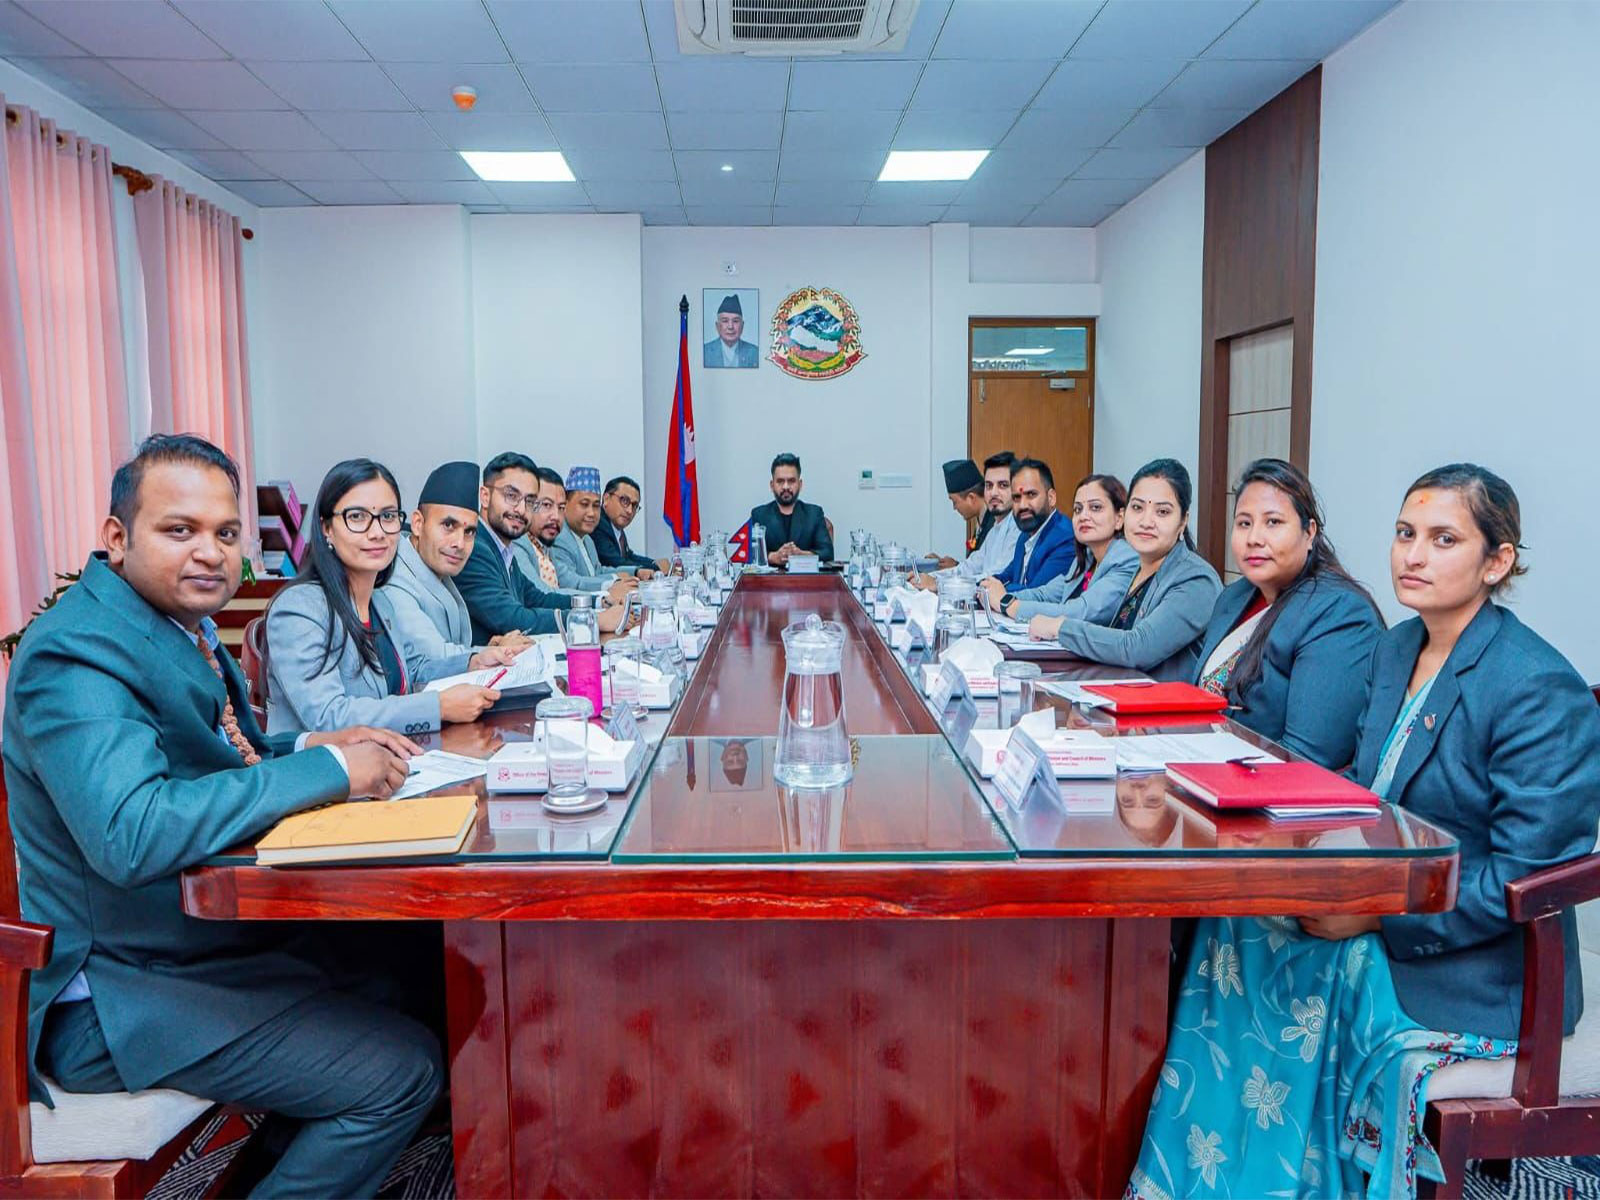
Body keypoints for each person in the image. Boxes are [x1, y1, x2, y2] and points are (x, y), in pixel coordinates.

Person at [1129, 464, 1600, 1199]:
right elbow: (1364, 784)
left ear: (1497, 561)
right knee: (1238, 926)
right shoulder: (1397, 648)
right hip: (1383, 893)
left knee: (1300, 964)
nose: (1413, 556)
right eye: (1405, 534)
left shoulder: (1537, 685)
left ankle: (1301, 1181)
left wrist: (1375, 916)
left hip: (1485, 961)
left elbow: (1523, 874)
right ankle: (1205, 1172)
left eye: (1445, 539)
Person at [3, 434, 438, 1198]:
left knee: (412, 966)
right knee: (403, 1072)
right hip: (122, 995)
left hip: (193, 947)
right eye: (180, 530)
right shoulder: (75, 656)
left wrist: (312, 743)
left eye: (226, 534)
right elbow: (131, 830)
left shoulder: (171, 624)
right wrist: (329, 771)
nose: (210, 554)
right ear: (116, 537)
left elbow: (216, 756)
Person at [266, 459, 512, 737]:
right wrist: (437, 707)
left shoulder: (380, 602)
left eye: (387, 516)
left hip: (392, 759)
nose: (377, 532)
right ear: (326, 529)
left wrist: (473, 662)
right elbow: (328, 716)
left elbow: (414, 669)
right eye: (357, 517)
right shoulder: (299, 609)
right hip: (327, 773)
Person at [1193, 458, 1384, 767]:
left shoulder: (1340, 613)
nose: (1254, 537)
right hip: (1200, 771)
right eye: (1244, 523)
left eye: (1273, 522)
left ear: (1309, 533)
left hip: (1270, 797)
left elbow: (1306, 757)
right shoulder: (1234, 597)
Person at [1027, 458, 1219, 681]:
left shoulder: (1196, 579)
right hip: (1122, 698)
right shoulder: (1140, 567)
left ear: (1183, 522)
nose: (1146, 521)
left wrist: (1061, 627)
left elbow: (1136, 647)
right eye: (1137, 508)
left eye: (1163, 512)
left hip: (1163, 710)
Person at [381, 460, 530, 663]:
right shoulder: (394, 579)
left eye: (469, 532)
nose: (460, 543)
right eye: (448, 525)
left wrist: (487, 648)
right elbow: (432, 659)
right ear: (417, 524)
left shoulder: (438, 569)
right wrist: (487, 654)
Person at [455, 452, 573, 643]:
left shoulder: (503, 548)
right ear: (485, 496)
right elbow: (513, 620)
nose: (520, 509)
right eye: (511, 496)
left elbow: (538, 599)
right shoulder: (474, 547)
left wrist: (596, 604)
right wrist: (589, 620)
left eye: (530, 501)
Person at [1005, 473, 1139, 625]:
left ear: (1119, 518)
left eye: (1095, 507)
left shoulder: (1127, 560)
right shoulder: (1087, 558)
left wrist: (1013, 607)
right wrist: (1002, 597)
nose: (1083, 516)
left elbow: (1080, 612)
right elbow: (1045, 594)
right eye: (1078, 509)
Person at [978, 457, 1076, 602]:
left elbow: (1037, 593)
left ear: (1051, 498)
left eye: (1031, 495)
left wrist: (996, 591)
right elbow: (1006, 576)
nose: (1023, 505)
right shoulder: (1025, 535)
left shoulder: (1065, 537)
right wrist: (984, 585)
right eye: (1017, 497)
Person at [551, 465, 637, 595]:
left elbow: (597, 571)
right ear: (565, 504)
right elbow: (571, 583)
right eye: (584, 504)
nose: (591, 513)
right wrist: (613, 584)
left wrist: (636, 572)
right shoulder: (558, 538)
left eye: (596, 506)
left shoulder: (587, 539)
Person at [751, 452, 834, 564]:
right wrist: (772, 557)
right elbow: (749, 554)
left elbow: (827, 553)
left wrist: (801, 555)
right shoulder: (759, 515)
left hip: (807, 580)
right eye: (780, 481)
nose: (786, 486)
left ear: (800, 484)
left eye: (791, 481)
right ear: (772, 485)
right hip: (770, 580)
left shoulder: (814, 514)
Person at [595, 475, 666, 575]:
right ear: (606, 499)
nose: (629, 511)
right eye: (625, 501)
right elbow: (615, 562)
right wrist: (657, 568)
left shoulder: (616, 527)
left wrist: (653, 562)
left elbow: (628, 556)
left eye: (634, 505)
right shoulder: (598, 524)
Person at [927, 458, 986, 569]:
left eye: (954, 502)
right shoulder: (980, 519)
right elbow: (976, 563)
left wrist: (956, 568)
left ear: (971, 498)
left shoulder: (995, 523)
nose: (954, 508)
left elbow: (988, 570)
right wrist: (955, 566)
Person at [703, 292, 758, 368]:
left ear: (742, 326)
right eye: (725, 321)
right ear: (717, 326)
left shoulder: (755, 353)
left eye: (735, 321)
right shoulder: (705, 352)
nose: (730, 327)